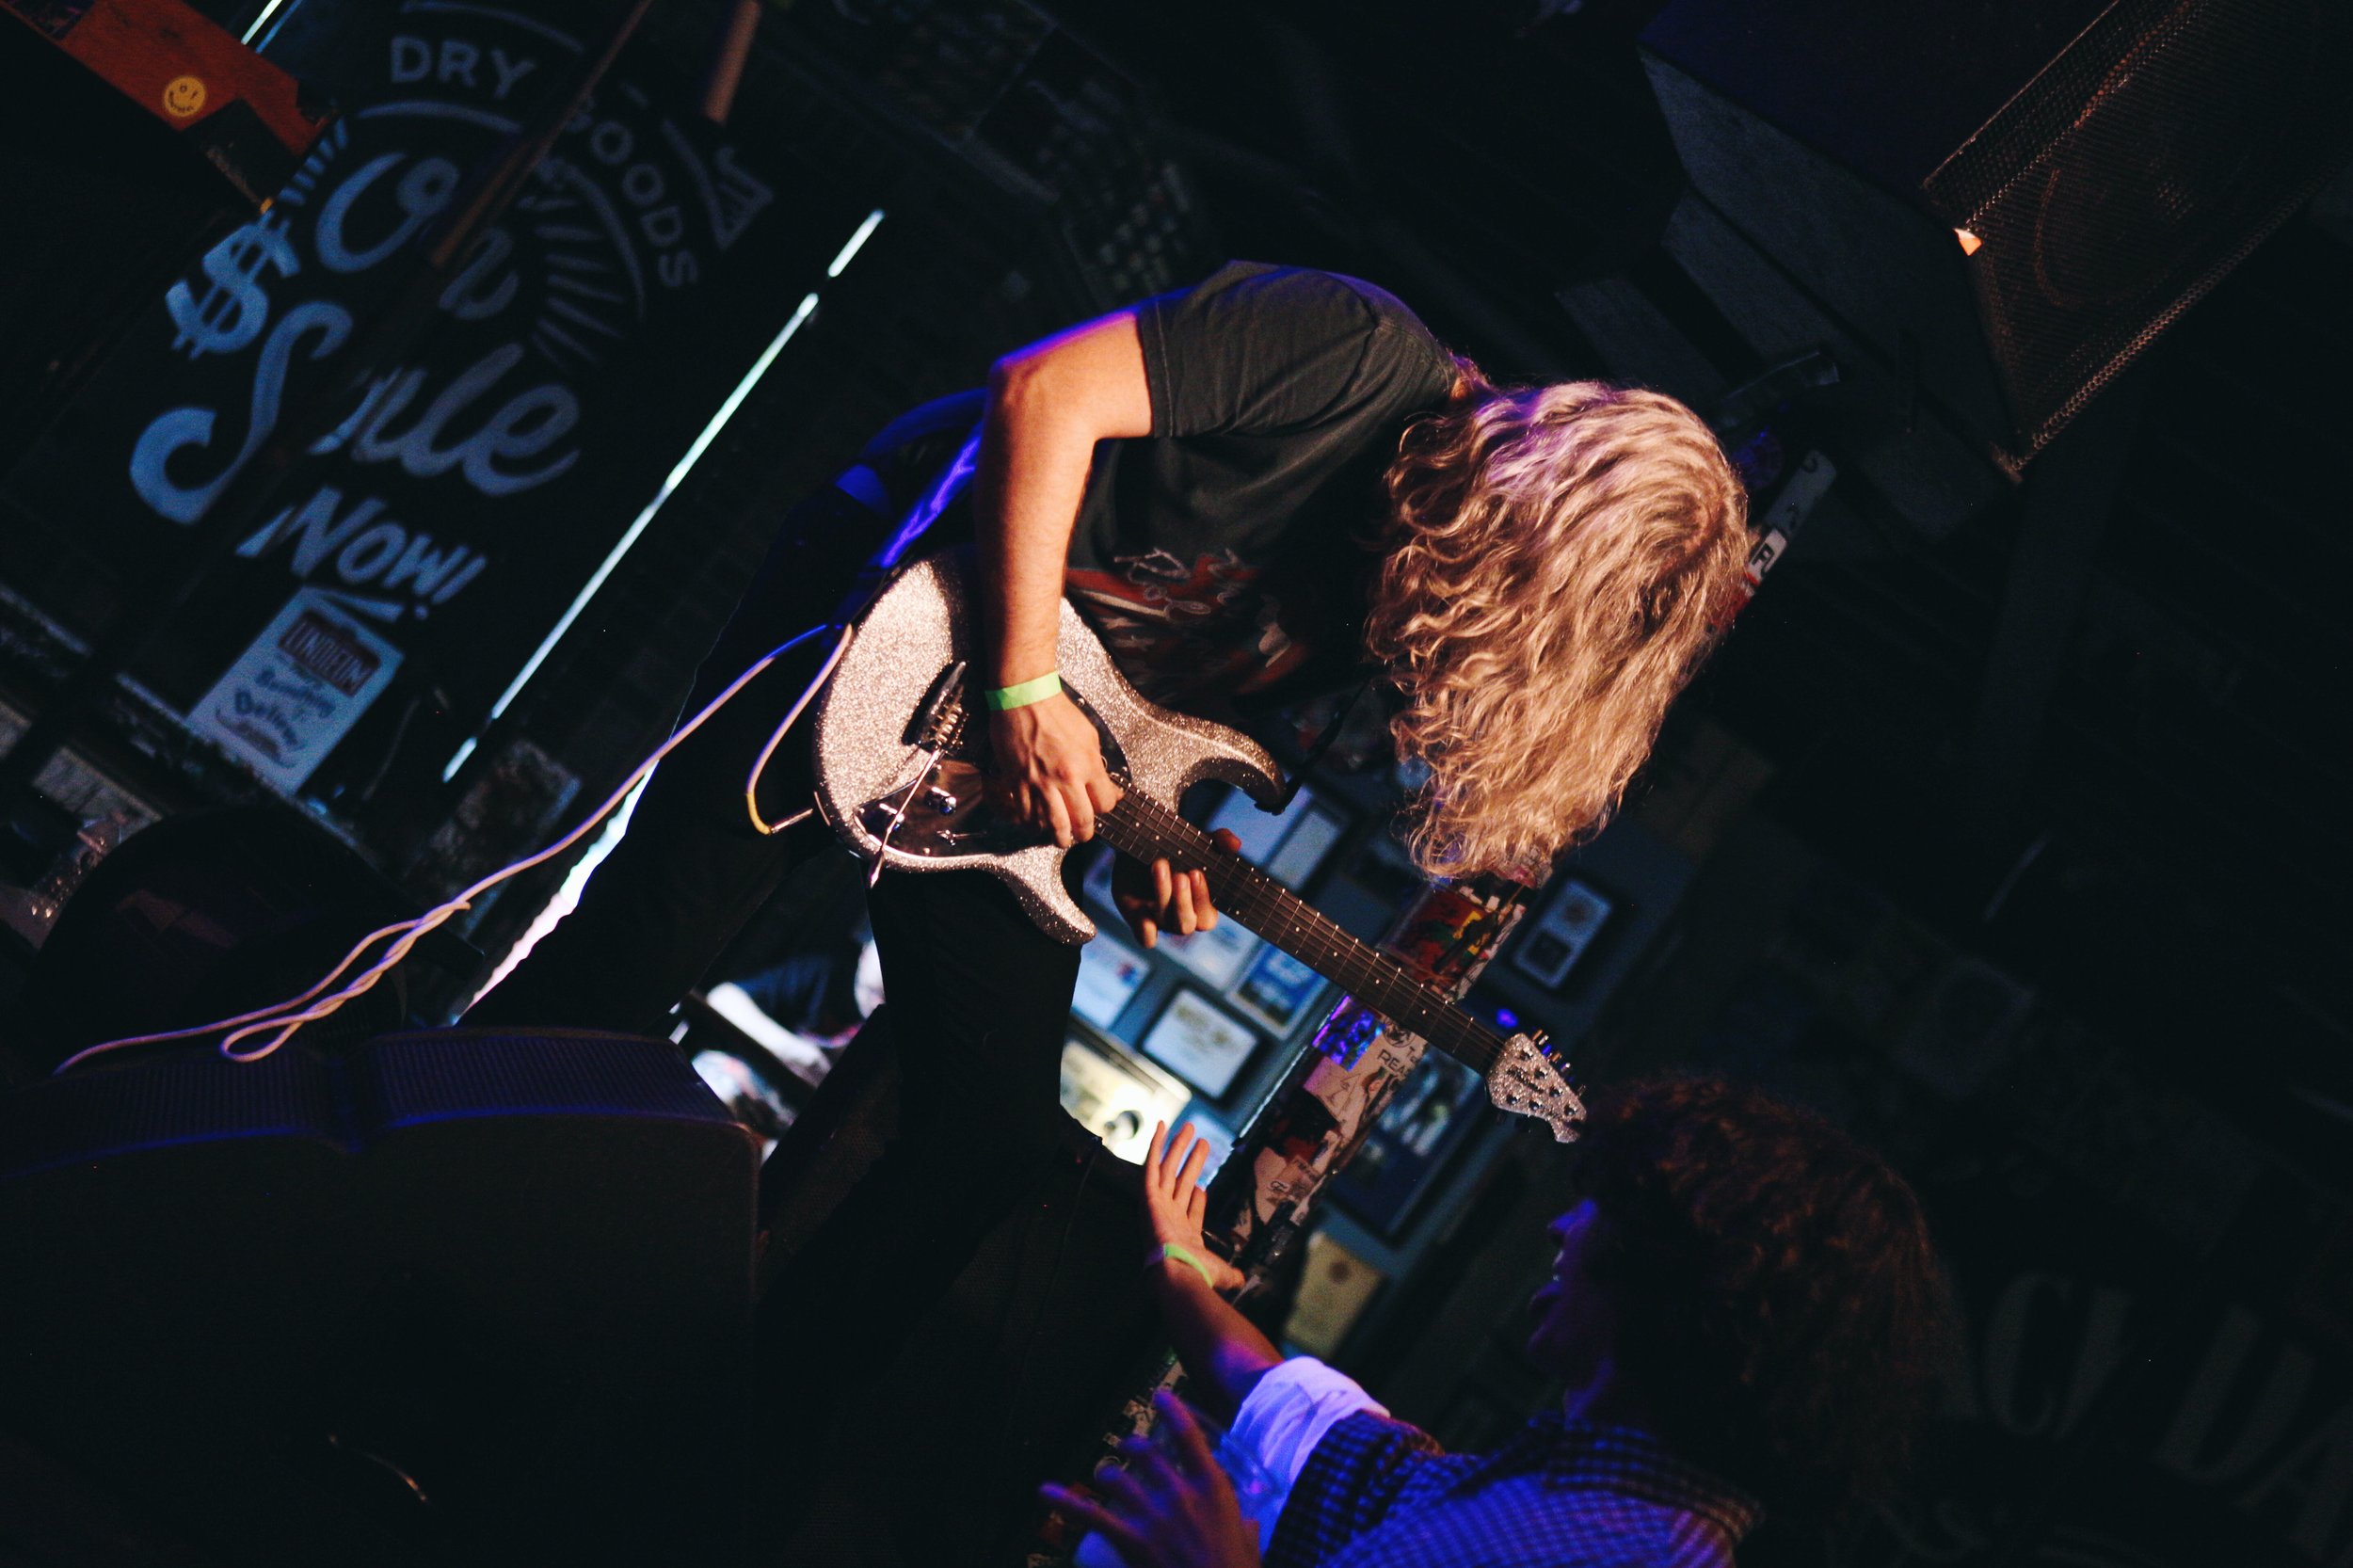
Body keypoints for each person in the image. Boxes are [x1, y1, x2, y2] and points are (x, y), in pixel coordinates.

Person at [465, 263, 1751, 1450]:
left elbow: (1152, 687)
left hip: (992, 754)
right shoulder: (1354, 352)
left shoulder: (1396, 590)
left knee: (990, 1141)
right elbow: (1044, 389)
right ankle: (394, 1213)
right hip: (883, 603)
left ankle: (717, 1441)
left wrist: (1147, 832)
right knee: (642, 948)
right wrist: (1025, 686)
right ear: (1535, 507)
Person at [1049, 1079, 1949, 1568]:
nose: (1563, 1226)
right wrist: (1183, 1273)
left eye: (1604, 1211)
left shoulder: (1631, 1553)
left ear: (1680, 1277)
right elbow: (1325, 1426)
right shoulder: (1582, 1494)